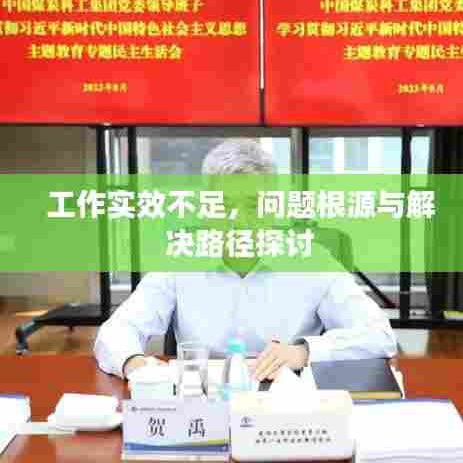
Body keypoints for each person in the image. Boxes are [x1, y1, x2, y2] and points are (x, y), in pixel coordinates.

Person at [94, 139, 397, 380]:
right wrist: (134, 364)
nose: (239, 221)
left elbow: (378, 335)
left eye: (253, 206)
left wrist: (303, 352)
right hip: (202, 400)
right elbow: (116, 331)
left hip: (287, 403)